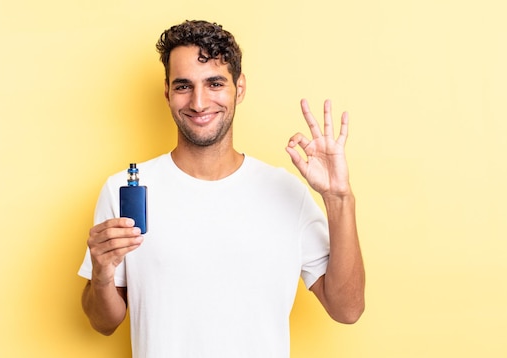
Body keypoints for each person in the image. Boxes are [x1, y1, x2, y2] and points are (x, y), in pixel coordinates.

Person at [78, 20, 365, 358]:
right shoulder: (126, 190)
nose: (199, 103)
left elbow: (347, 309)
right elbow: (104, 322)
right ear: (167, 91)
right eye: (184, 86)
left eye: (214, 83)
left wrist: (338, 198)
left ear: (239, 88)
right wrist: (100, 275)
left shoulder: (288, 193)